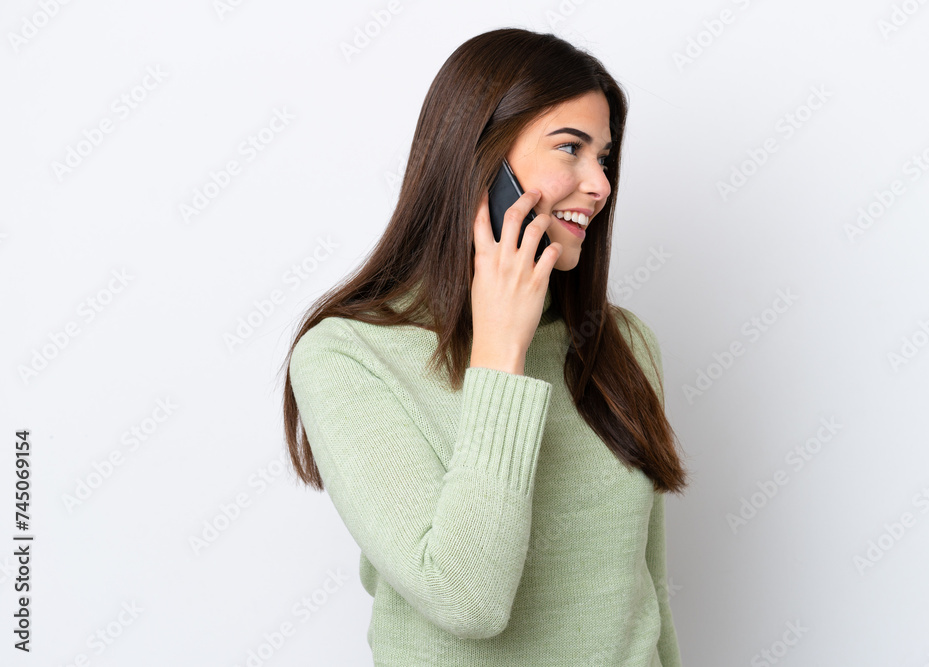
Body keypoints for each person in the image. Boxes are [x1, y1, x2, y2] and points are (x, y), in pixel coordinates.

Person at [279, 27, 689, 666]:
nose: (600, 185)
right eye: (570, 149)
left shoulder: (624, 345)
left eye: (604, 158)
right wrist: (502, 352)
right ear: (481, 161)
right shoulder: (348, 355)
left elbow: (648, 591)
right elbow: (468, 600)